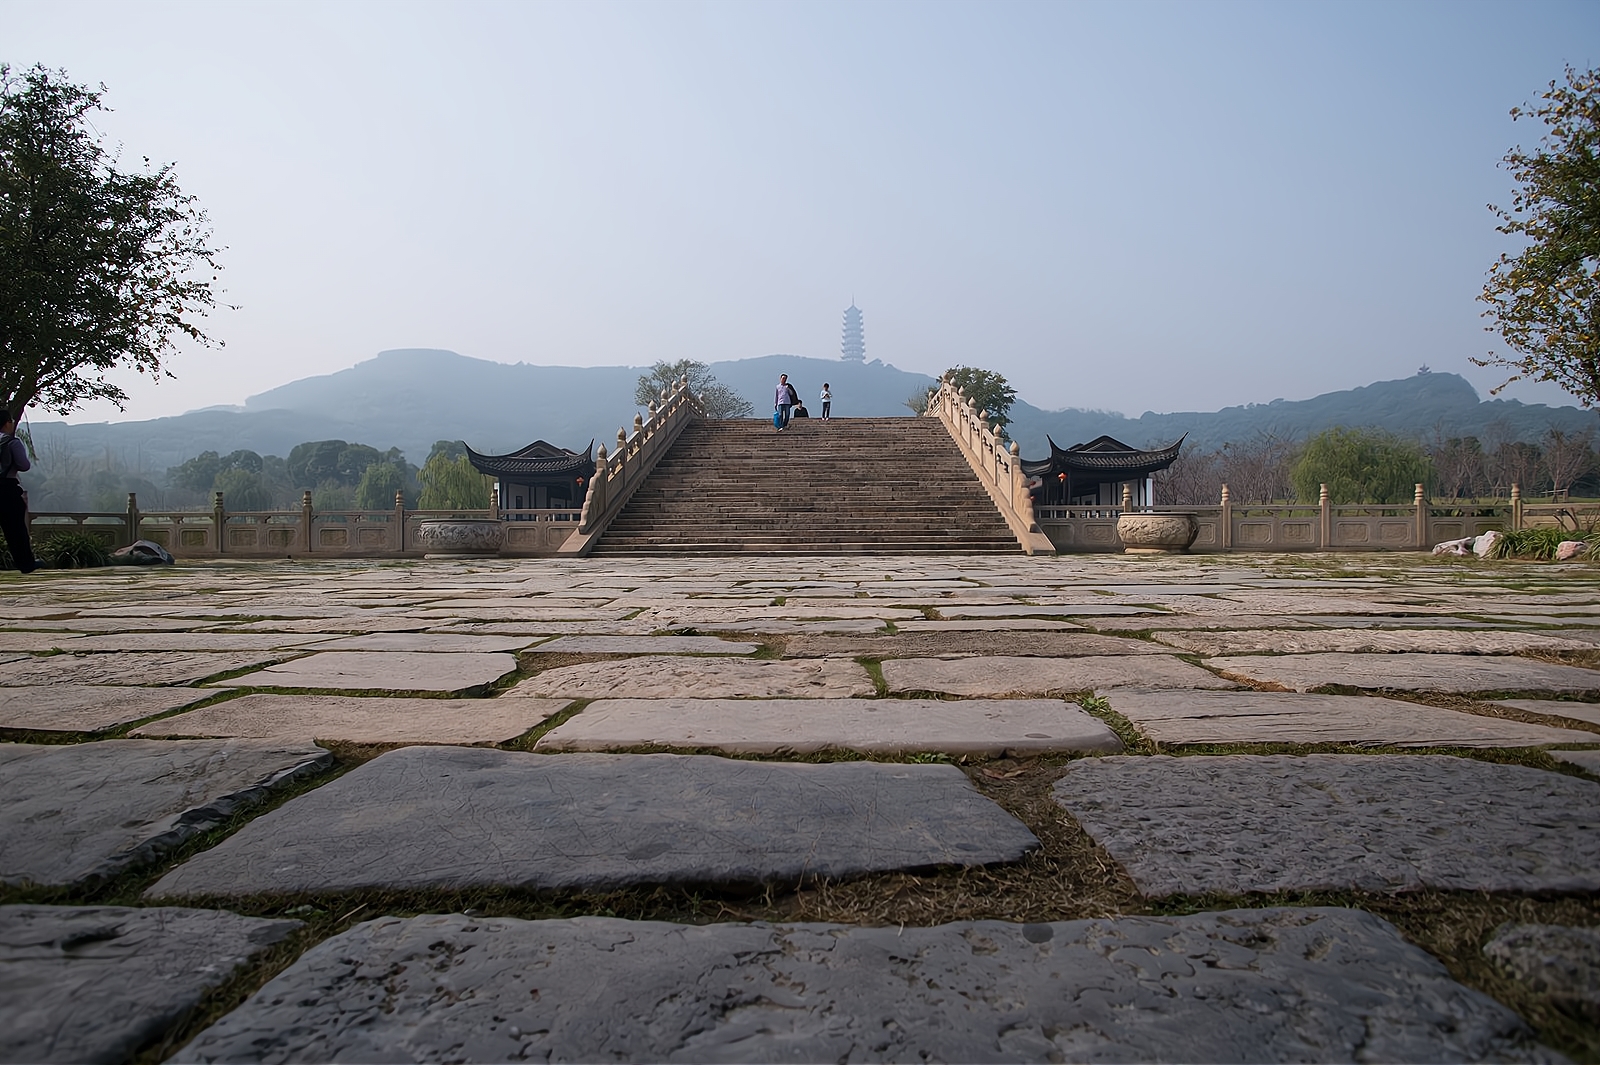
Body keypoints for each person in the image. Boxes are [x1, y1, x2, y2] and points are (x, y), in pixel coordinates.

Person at [0, 411, 37, 573]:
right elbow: (24, 465)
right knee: (15, 529)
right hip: (6, 488)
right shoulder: (11, 443)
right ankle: (25, 564)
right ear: (7, 423)